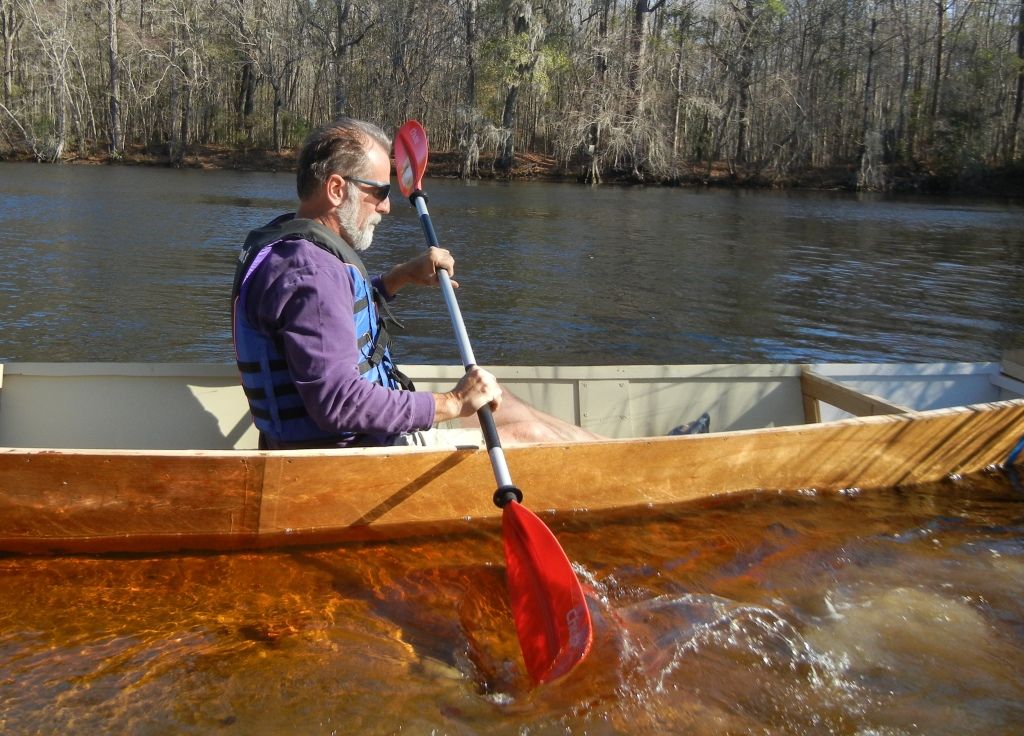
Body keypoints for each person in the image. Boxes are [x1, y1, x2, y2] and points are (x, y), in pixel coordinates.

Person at [231, 117, 604, 449]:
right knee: (529, 436)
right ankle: (622, 462)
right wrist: (453, 403)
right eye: (378, 191)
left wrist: (400, 276)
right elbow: (340, 404)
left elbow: (327, 320)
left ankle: (612, 449)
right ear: (336, 189)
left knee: (499, 398)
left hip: (353, 436)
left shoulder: (288, 244)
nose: (386, 206)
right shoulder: (312, 271)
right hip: (349, 457)